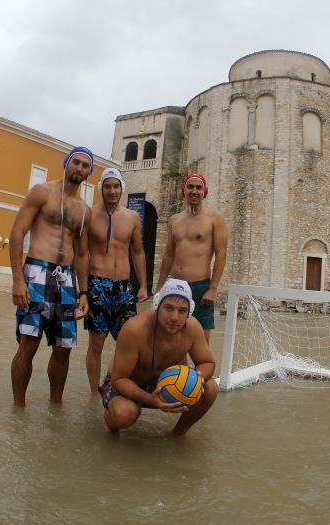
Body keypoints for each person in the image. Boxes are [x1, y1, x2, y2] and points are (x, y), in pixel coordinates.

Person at [8, 147, 92, 406]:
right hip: (35, 273)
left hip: (66, 279)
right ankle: (19, 407)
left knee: (64, 347)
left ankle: (55, 406)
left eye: (85, 165)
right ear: (66, 163)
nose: (79, 168)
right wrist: (18, 280)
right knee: (29, 343)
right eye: (75, 162)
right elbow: (17, 233)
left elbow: (82, 254)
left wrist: (83, 292)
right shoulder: (41, 192)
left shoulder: (84, 210)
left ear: (89, 173)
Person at [100, 279, 218, 435]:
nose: (175, 317)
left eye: (182, 311)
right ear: (157, 305)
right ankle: (111, 428)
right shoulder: (134, 329)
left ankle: (176, 436)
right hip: (129, 383)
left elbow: (207, 362)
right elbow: (119, 379)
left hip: (168, 385)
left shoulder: (193, 328)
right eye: (168, 308)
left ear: (189, 312)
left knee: (210, 388)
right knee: (124, 413)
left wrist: (198, 377)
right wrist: (151, 400)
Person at [84, 168, 148, 397]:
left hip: (123, 287)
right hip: (96, 285)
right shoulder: (90, 215)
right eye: (108, 186)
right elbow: (81, 254)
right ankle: (93, 394)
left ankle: (112, 380)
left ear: (122, 189)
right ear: (101, 187)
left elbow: (138, 252)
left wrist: (143, 285)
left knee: (129, 341)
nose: (112, 191)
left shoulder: (132, 217)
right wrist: (82, 290)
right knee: (96, 343)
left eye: (116, 186)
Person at [156, 173, 229, 344]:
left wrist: (213, 288)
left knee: (201, 342)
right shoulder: (175, 219)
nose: (194, 191)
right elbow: (168, 255)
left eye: (199, 187)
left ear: (205, 191)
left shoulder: (214, 219)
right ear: (184, 190)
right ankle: (175, 371)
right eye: (190, 187)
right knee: (170, 340)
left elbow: (221, 254)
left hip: (200, 287)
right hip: (174, 286)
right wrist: (160, 286)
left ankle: (200, 371)